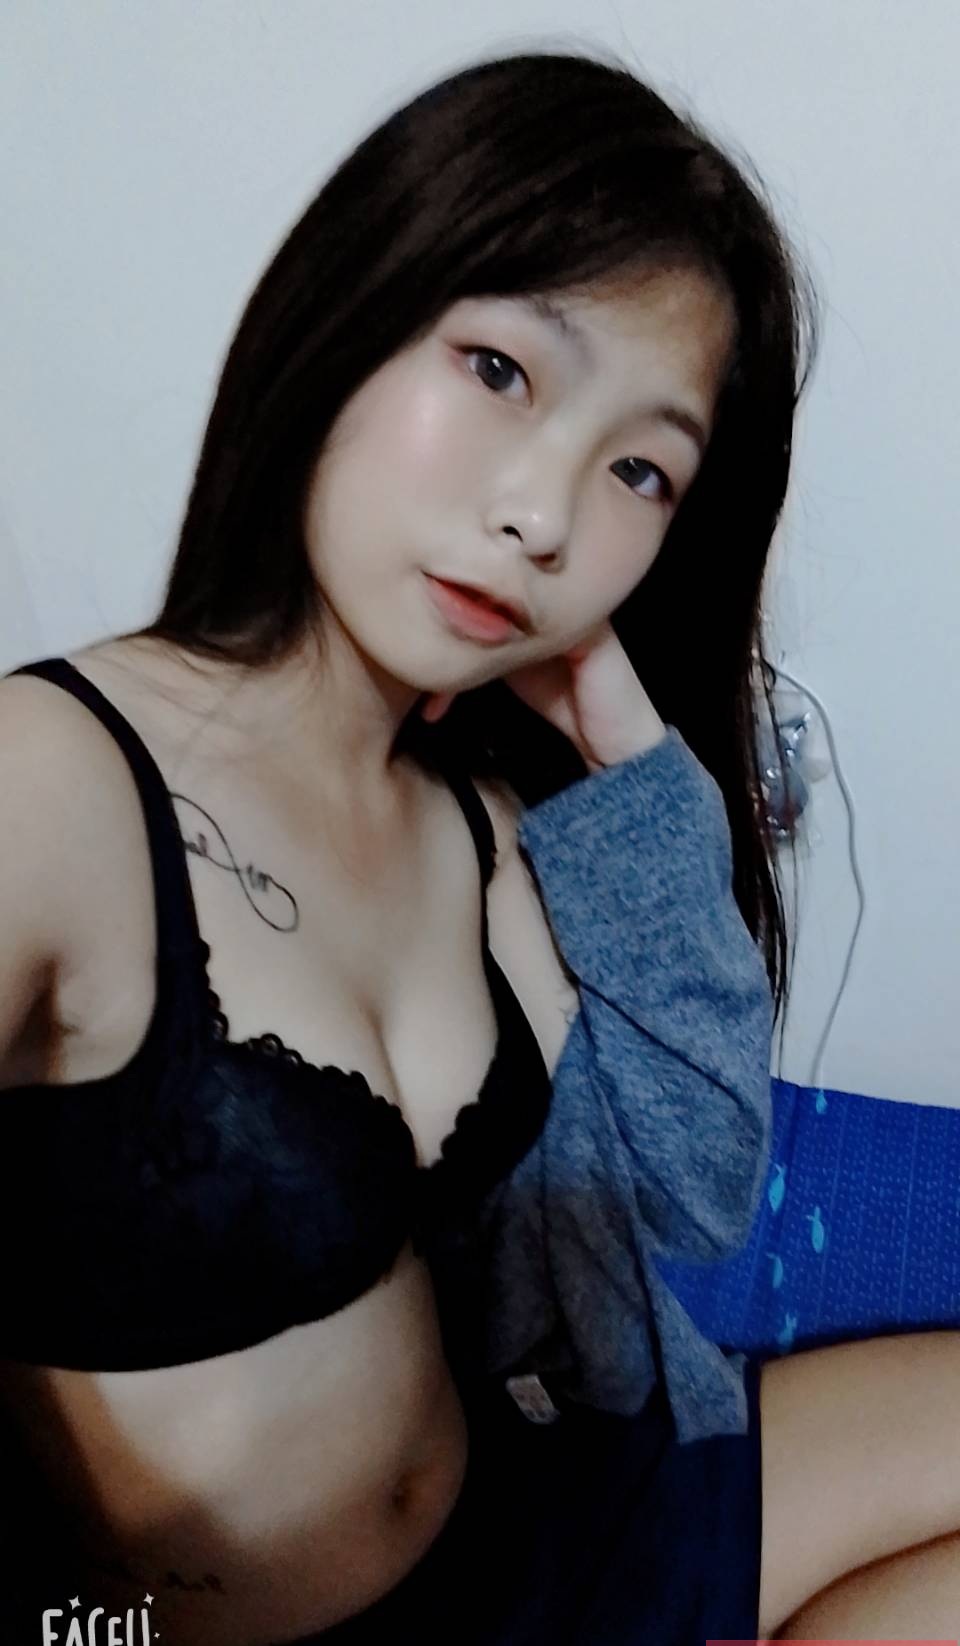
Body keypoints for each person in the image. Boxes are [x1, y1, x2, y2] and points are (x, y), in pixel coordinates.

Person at [3, 43, 960, 1646]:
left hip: (551, 1509)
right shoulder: (50, 781)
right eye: (502, 370)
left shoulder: (487, 818)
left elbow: (697, 1182)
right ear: (354, 310)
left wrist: (632, 757)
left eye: (640, 467)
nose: (545, 513)